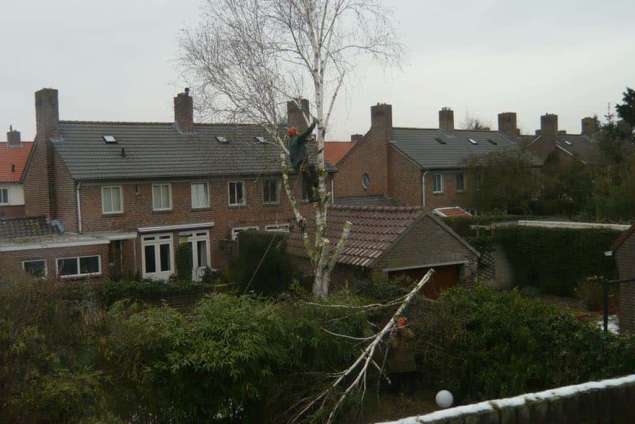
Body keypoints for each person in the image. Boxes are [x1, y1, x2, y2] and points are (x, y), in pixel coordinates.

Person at [288, 121, 320, 202]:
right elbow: (306, 133)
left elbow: (302, 141)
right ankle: (314, 187)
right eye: (297, 132)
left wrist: (309, 140)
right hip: (301, 163)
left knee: (308, 175)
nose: (298, 133)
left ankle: (313, 192)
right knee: (309, 175)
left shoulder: (292, 141)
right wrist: (313, 125)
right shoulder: (297, 139)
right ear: (295, 133)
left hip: (297, 165)